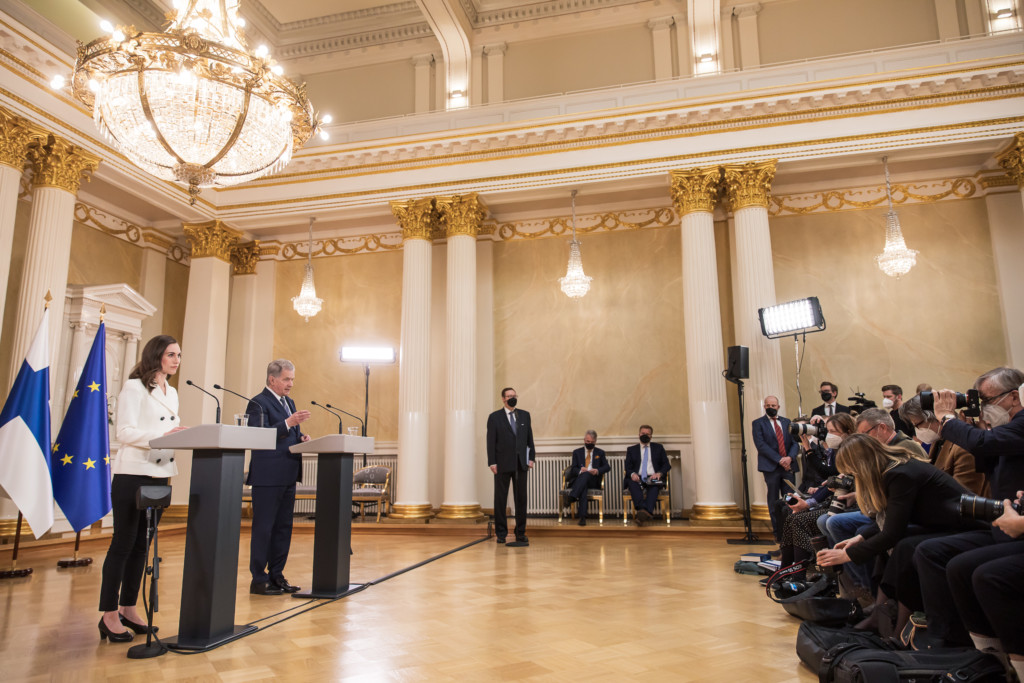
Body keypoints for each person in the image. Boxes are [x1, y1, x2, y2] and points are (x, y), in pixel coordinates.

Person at [816, 434, 976, 634]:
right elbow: (893, 519)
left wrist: (847, 555)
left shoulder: (900, 474)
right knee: (901, 545)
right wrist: (860, 538)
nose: (854, 477)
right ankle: (883, 616)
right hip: (943, 524)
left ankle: (895, 623)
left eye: (853, 472)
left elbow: (892, 532)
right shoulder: (895, 468)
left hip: (967, 527)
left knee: (904, 546)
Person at [914, 367, 1024, 649]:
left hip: (1016, 526)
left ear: (1013, 396)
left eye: (988, 400)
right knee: (932, 552)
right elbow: (985, 457)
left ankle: (1003, 656)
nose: (984, 407)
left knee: (979, 572)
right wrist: (978, 424)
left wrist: (947, 418)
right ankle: (969, 645)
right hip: (1003, 522)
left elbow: (982, 445)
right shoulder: (1005, 427)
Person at [98, 335, 186, 643]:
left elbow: (166, 431)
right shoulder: (134, 387)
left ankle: (128, 608)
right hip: (133, 473)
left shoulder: (172, 391)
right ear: (156, 356)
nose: (176, 359)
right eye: (171, 354)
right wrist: (165, 434)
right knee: (122, 543)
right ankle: (108, 614)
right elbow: (124, 431)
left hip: (160, 473)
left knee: (142, 546)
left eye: (178, 355)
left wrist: (177, 436)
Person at [246, 359, 311, 595]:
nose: (290, 384)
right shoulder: (257, 403)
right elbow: (258, 436)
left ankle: (277, 575)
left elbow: (289, 432)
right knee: (264, 528)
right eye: (286, 379)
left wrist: (300, 436)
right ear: (272, 379)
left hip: (288, 472)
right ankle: (258, 579)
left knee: (284, 528)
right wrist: (288, 422)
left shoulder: (289, 401)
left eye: (292, 379)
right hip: (267, 475)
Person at [898, 393, 987, 495]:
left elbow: (964, 495)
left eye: (918, 424)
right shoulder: (938, 440)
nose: (917, 430)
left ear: (936, 416)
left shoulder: (963, 446)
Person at [486, 387, 535, 546]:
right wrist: (492, 462)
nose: (512, 398)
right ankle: (501, 533)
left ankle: (520, 533)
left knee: (521, 499)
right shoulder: (494, 417)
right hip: (501, 464)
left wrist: (531, 458)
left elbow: (530, 439)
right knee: (500, 499)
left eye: (514, 396)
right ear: (503, 399)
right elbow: (490, 441)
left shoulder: (525, 415)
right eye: (509, 396)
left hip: (521, 464)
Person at [752, 396, 799, 544]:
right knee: (773, 500)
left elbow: (795, 443)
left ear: (778, 406)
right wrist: (780, 459)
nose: (770, 407)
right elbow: (761, 445)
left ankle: (791, 532)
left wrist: (789, 458)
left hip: (788, 467)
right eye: (768, 405)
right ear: (764, 407)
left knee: (790, 498)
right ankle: (778, 535)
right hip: (771, 468)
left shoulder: (787, 422)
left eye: (773, 405)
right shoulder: (758, 423)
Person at [624, 424, 670, 526]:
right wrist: (632, 474)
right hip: (637, 477)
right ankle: (646, 511)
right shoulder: (631, 449)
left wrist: (659, 473)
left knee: (654, 486)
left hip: (653, 477)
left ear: (651, 436)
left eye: (647, 434)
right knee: (632, 483)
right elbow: (627, 466)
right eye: (643, 433)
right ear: (639, 434)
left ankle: (642, 513)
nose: (645, 435)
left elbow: (666, 465)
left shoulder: (658, 448)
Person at [566, 430, 609, 526]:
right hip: (580, 480)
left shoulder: (600, 452)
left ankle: (572, 496)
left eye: (592, 442)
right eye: (588, 442)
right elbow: (573, 469)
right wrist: (581, 470)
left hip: (593, 480)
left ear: (595, 441)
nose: (589, 444)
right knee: (583, 484)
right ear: (584, 440)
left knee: (586, 477)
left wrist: (597, 470)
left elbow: (607, 467)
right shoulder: (577, 452)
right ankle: (582, 517)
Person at [854, 407, 926, 460]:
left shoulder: (905, 449)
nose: (863, 439)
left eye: (865, 434)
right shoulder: (888, 447)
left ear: (882, 428)